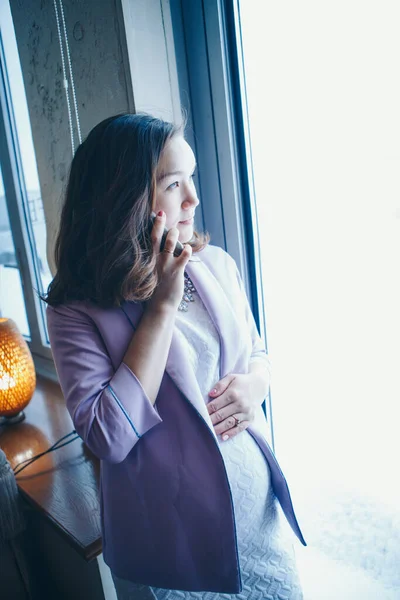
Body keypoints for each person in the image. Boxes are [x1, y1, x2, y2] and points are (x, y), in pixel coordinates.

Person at [43, 113, 306, 599]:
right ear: (124, 199)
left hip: (261, 526)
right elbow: (107, 435)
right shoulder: (75, 310)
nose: (193, 199)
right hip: (180, 549)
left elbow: (257, 351)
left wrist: (256, 386)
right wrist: (162, 304)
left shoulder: (215, 264)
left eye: (193, 179)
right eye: (173, 184)